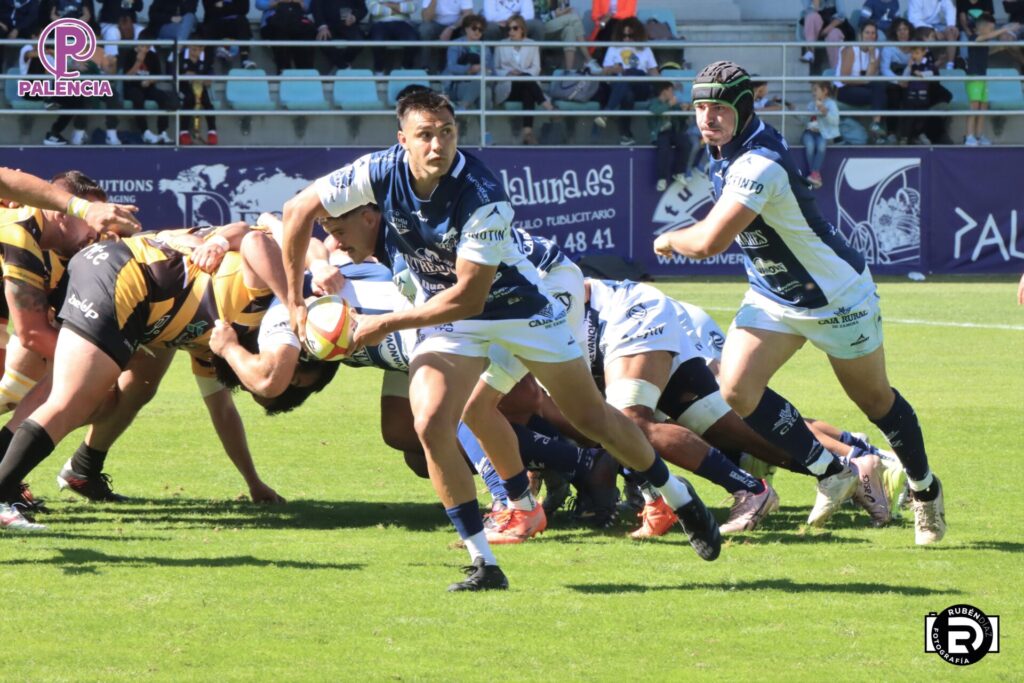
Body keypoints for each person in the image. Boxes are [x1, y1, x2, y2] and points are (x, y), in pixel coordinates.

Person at [280, 89, 722, 590]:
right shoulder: (378, 172)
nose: (437, 145)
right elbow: (296, 212)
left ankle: (677, 494)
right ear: (402, 140)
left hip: (521, 308)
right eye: (425, 135)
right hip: (453, 318)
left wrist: (381, 325)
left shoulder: (482, 195)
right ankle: (484, 562)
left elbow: (470, 297)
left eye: (447, 133)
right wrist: (295, 304)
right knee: (429, 421)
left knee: (590, 418)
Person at [653, 60, 946, 546]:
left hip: (836, 297)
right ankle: (833, 470)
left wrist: (669, 240)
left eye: (720, 108)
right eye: (701, 107)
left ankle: (924, 490)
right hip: (774, 295)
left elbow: (707, 243)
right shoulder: (724, 148)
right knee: (735, 390)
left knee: (875, 402)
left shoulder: (756, 163)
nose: (708, 117)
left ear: (744, 109)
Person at [0, 222, 292, 532]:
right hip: (124, 277)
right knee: (68, 399)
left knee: (84, 399)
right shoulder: (260, 301)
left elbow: (222, 411)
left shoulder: (219, 346)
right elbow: (256, 238)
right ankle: (3, 492)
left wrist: (253, 482)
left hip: (118, 279)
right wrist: (293, 304)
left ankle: (77, 472)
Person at [0, 167, 140, 235]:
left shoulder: (89, 239)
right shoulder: (18, 229)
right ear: (61, 215)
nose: (93, 233)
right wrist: (86, 209)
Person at [595, 17, 659, 146]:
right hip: (621, 87)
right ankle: (626, 135)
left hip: (641, 86)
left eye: (630, 36)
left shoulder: (644, 49)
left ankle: (607, 112)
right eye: (623, 35)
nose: (627, 39)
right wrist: (614, 69)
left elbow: (654, 72)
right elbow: (605, 71)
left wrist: (665, 85)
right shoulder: (614, 48)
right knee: (627, 94)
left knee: (631, 72)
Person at [493, 15, 554, 145]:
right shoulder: (501, 45)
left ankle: (527, 132)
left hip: (527, 85)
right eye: (509, 29)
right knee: (527, 81)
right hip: (508, 86)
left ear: (522, 29)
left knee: (527, 90)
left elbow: (536, 68)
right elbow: (496, 69)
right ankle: (546, 105)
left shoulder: (532, 44)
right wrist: (509, 73)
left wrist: (521, 74)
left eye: (515, 28)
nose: (511, 32)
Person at [964, 13, 1020, 144]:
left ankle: (979, 135)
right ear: (982, 28)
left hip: (983, 77)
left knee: (983, 107)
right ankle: (969, 136)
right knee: (974, 107)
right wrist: (1005, 29)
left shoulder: (984, 41)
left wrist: (1002, 46)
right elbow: (987, 36)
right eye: (991, 29)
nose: (992, 32)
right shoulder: (974, 37)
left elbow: (988, 49)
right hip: (974, 77)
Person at [836, 20, 888, 141]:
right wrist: (864, 81)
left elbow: (870, 76)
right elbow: (844, 79)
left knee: (880, 86)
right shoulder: (851, 50)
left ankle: (876, 124)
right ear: (860, 35)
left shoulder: (876, 52)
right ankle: (877, 129)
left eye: (873, 33)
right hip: (845, 90)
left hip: (864, 88)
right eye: (867, 33)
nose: (870, 36)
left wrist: (871, 56)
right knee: (881, 97)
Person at [120, 42, 175, 145]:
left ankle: (162, 132)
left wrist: (150, 81)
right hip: (132, 87)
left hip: (148, 88)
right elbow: (126, 77)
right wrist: (138, 62)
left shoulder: (153, 56)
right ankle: (145, 132)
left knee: (163, 97)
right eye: (142, 46)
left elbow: (158, 76)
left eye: (147, 47)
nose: (144, 49)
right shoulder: (129, 54)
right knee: (137, 97)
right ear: (137, 45)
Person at [649, 80, 692, 192]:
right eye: (671, 90)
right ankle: (662, 178)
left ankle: (679, 172)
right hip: (660, 133)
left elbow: (681, 118)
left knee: (686, 144)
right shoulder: (654, 102)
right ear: (665, 91)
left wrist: (685, 110)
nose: (673, 93)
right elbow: (655, 111)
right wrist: (669, 104)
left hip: (673, 132)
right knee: (664, 149)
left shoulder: (673, 103)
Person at [899, 37, 941, 144]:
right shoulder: (910, 65)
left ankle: (919, 135)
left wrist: (921, 74)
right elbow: (903, 79)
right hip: (910, 97)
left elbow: (932, 73)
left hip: (923, 97)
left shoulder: (928, 65)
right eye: (912, 52)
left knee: (922, 119)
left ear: (924, 52)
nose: (914, 55)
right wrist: (909, 67)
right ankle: (905, 137)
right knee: (908, 119)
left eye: (917, 52)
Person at [257, 0, 317, 72]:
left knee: (307, 31)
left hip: (298, 22)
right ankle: (283, 71)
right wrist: (279, 2)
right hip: (274, 23)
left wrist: (296, 2)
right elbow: (259, 4)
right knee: (280, 29)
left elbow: (309, 7)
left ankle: (304, 73)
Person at [176, 44, 219, 145]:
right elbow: (174, 72)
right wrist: (185, 76)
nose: (195, 52)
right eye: (193, 49)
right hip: (184, 87)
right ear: (188, 47)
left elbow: (210, 74)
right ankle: (183, 132)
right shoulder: (181, 57)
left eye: (198, 50)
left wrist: (205, 78)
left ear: (202, 49)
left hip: (200, 86)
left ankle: (212, 132)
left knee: (208, 103)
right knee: (189, 100)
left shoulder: (207, 58)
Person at [442, 15, 487, 109]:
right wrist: (469, 69)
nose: (477, 32)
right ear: (466, 29)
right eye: (474, 28)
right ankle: (463, 113)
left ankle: (462, 111)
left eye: (480, 30)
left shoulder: (485, 48)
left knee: (486, 92)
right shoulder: (455, 45)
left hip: (477, 83)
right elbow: (451, 67)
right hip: (457, 83)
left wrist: (487, 71)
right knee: (484, 90)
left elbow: (492, 71)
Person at [418, 0, 473, 74]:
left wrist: (452, 28)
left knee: (469, 28)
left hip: (457, 24)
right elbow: (426, 18)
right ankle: (425, 69)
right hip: (436, 24)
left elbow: (468, 14)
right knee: (425, 29)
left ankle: (465, 70)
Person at [802, 80, 839, 188]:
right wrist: (795, 111)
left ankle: (814, 174)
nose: (813, 93)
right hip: (809, 132)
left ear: (825, 91)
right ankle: (815, 175)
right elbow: (805, 121)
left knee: (821, 147)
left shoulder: (831, 104)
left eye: (816, 90)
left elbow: (835, 122)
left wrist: (824, 111)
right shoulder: (810, 104)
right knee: (810, 146)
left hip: (823, 133)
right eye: (812, 90)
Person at [312, 0, 368, 71]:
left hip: (349, 25)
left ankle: (340, 66)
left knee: (358, 42)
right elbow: (316, 8)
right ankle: (345, 68)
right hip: (328, 26)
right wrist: (322, 26)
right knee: (323, 40)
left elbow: (363, 9)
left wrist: (354, 17)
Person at [366, 0, 418, 74]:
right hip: (380, 23)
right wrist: (398, 7)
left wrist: (386, 4)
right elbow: (374, 9)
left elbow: (412, 7)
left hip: (403, 23)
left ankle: (406, 69)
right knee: (377, 40)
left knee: (412, 40)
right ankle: (379, 70)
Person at [201, 0, 257, 69]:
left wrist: (223, 6)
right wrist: (233, 7)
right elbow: (210, 10)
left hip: (236, 23)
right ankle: (208, 64)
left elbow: (244, 9)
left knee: (243, 22)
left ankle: (244, 60)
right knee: (209, 26)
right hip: (215, 22)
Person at [534, 0, 587, 71]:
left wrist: (565, 12)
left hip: (554, 27)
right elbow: (533, 18)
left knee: (569, 30)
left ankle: (569, 71)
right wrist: (554, 14)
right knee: (574, 18)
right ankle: (588, 58)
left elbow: (563, 9)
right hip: (539, 29)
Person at [800, 0, 855, 69]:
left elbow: (841, 15)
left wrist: (827, 29)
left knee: (833, 35)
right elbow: (807, 13)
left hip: (835, 24)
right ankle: (810, 52)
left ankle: (836, 70)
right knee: (811, 17)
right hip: (818, 26)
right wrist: (816, 3)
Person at [909, 0, 960, 67]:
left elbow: (949, 7)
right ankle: (927, 66)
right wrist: (933, 30)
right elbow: (914, 19)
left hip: (938, 25)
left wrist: (951, 25)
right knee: (928, 37)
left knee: (952, 32)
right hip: (921, 26)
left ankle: (950, 66)